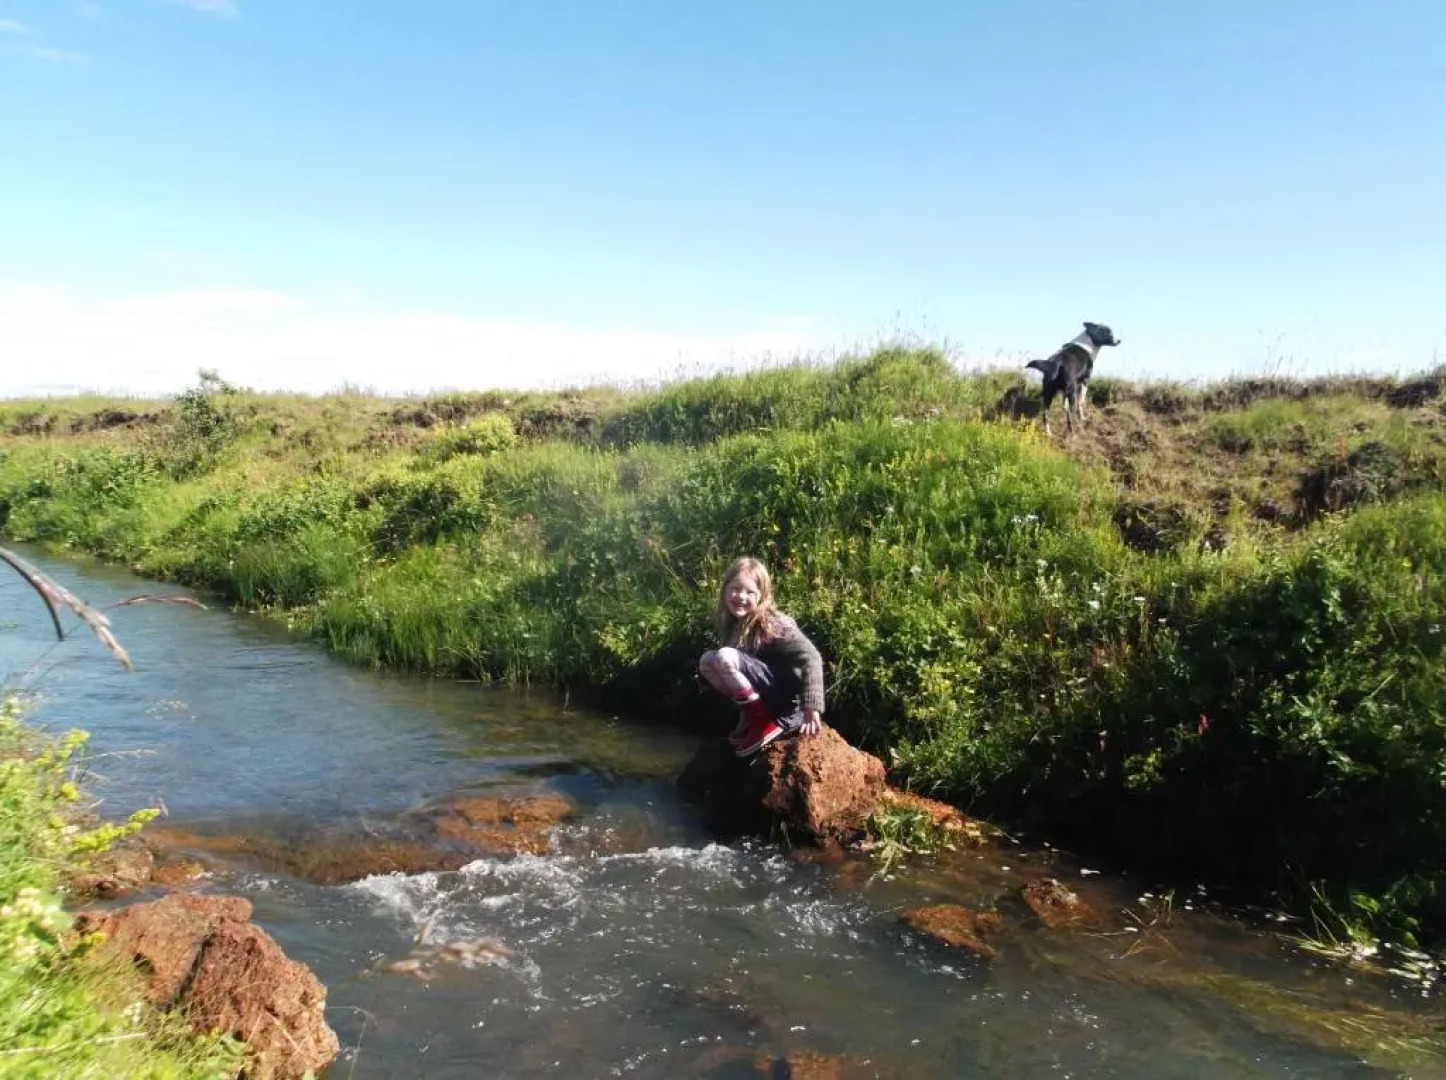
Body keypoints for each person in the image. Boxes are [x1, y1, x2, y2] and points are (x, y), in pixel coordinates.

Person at [697, 556, 826, 757]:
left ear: (761, 596)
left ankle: (763, 721)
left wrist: (811, 708)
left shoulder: (773, 623)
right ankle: (750, 716)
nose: (741, 596)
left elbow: (811, 658)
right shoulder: (732, 623)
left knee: (725, 656)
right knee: (707, 661)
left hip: (787, 701)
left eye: (750, 592)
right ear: (724, 590)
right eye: (735, 588)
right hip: (768, 693)